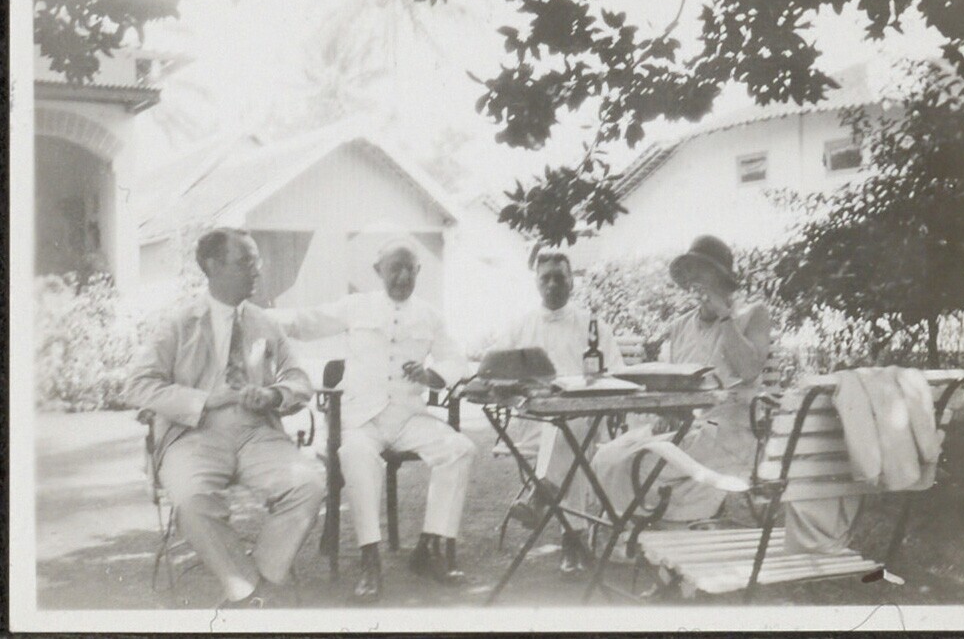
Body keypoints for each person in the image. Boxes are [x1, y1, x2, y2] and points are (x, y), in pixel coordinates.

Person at [126, 228, 324, 608]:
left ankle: (253, 590)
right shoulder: (179, 323)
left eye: (256, 260)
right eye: (245, 261)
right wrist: (202, 400)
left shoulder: (265, 323)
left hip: (256, 434)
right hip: (193, 434)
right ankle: (249, 592)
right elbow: (138, 385)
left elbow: (299, 380)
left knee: (309, 485)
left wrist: (273, 394)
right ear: (213, 266)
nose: (257, 270)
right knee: (191, 500)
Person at [272, 236, 474, 603]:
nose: (402, 276)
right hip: (361, 418)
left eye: (409, 269)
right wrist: (256, 317)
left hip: (408, 417)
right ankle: (370, 558)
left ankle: (430, 547)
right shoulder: (356, 306)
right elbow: (305, 322)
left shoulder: (430, 315)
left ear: (419, 271)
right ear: (378, 271)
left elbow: (455, 359)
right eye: (394, 268)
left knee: (459, 449)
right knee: (356, 455)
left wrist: (432, 375)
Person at [592, 235, 772, 524]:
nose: (693, 279)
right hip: (687, 428)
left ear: (721, 276)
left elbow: (749, 370)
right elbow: (680, 386)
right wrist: (670, 413)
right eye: (689, 271)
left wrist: (724, 315)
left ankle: (644, 527)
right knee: (607, 457)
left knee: (636, 464)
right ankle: (639, 527)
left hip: (729, 435)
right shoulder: (681, 326)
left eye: (701, 269)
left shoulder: (752, 314)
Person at [492, 250, 625, 575]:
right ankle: (573, 538)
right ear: (536, 283)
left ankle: (542, 495)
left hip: (584, 420)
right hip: (532, 423)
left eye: (559, 278)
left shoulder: (593, 326)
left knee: (569, 428)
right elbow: (494, 370)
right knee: (567, 437)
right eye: (546, 278)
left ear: (572, 282)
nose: (552, 284)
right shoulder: (520, 327)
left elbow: (617, 373)